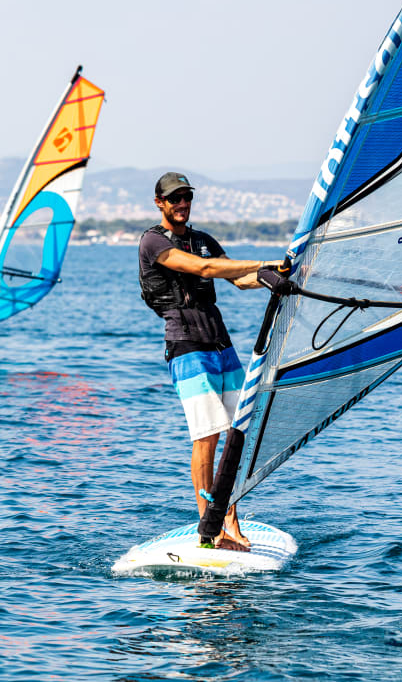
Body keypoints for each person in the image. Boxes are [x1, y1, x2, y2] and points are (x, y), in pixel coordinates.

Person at [138, 172, 283, 551]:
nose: (182, 204)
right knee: (207, 435)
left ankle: (229, 519)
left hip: (221, 344)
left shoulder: (203, 241)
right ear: (159, 203)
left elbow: (239, 277)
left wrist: (276, 274)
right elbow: (204, 269)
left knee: (238, 432)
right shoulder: (153, 241)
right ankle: (210, 525)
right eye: (174, 199)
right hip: (186, 347)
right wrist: (264, 259)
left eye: (186, 197)